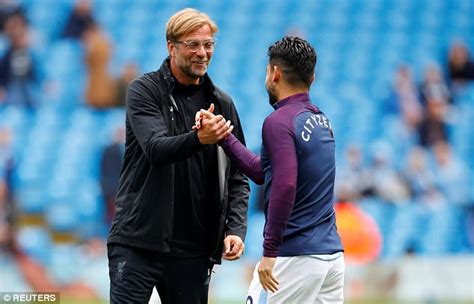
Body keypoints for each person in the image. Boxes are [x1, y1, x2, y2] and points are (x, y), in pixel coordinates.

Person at [107, 8, 250, 304]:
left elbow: (238, 173)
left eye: (208, 44)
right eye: (193, 44)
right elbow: (156, 148)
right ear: (171, 47)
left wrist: (235, 228)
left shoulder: (222, 102)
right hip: (138, 240)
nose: (202, 53)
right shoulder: (143, 91)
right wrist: (200, 138)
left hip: (193, 249)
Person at [198, 36, 344, 303]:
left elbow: (284, 185)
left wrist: (269, 252)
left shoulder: (278, 122)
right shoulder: (321, 121)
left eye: (267, 70)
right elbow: (263, 172)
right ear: (312, 77)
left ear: (275, 73)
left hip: (294, 257)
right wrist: (225, 136)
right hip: (331, 256)